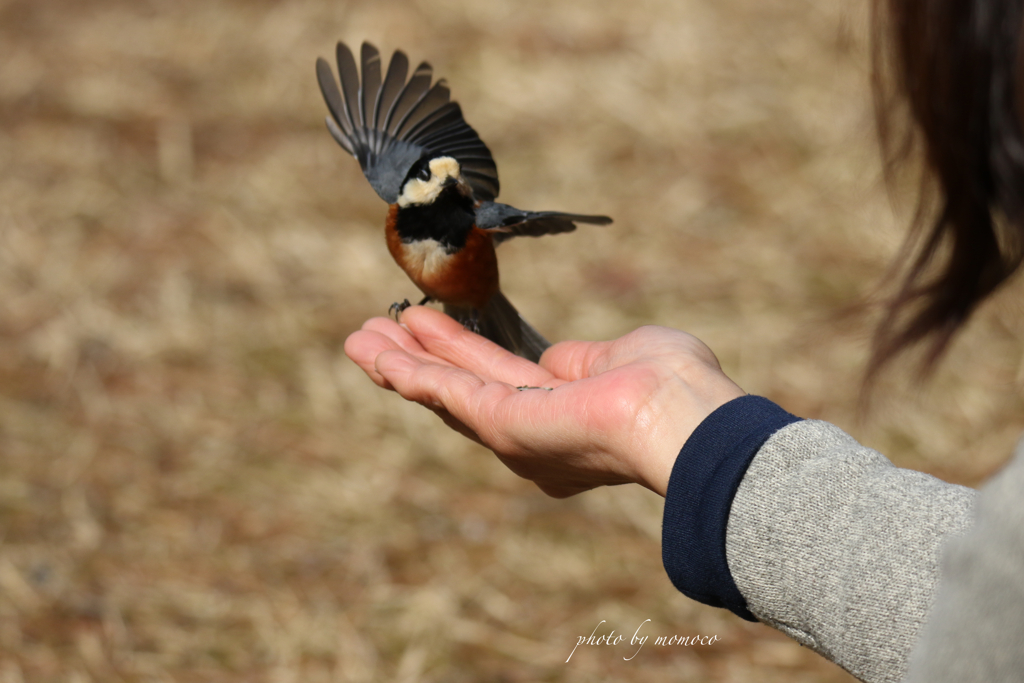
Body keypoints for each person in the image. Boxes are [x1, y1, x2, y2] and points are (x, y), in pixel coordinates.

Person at [344, 0, 1024, 680]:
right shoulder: (399, 214)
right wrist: (694, 437)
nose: (467, 198)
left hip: (483, 299)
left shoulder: (471, 226)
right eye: (450, 195)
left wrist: (676, 432)